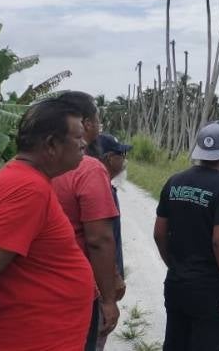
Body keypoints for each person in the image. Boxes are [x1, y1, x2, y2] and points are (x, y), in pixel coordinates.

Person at [0, 99, 97, 350]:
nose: (84, 143)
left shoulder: (18, 177)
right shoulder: (29, 190)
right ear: (51, 144)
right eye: (77, 137)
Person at [155, 121, 219, 351]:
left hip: (176, 283)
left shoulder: (174, 181)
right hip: (209, 288)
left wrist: (174, 265)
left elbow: (159, 233)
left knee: (175, 343)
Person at [52, 90, 121, 351]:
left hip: (43, 284)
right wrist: (108, 300)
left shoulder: (39, 163)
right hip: (79, 287)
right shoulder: (89, 168)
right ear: (87, 124)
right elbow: (99, 240)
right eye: (98, 120)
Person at [95, 133, 134, 351]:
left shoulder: (106, 187)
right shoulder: (100, 190)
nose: (124, 160)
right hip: (100, 283)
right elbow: (99, 240)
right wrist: (114, 278)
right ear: (110, 158)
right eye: (122, 155)